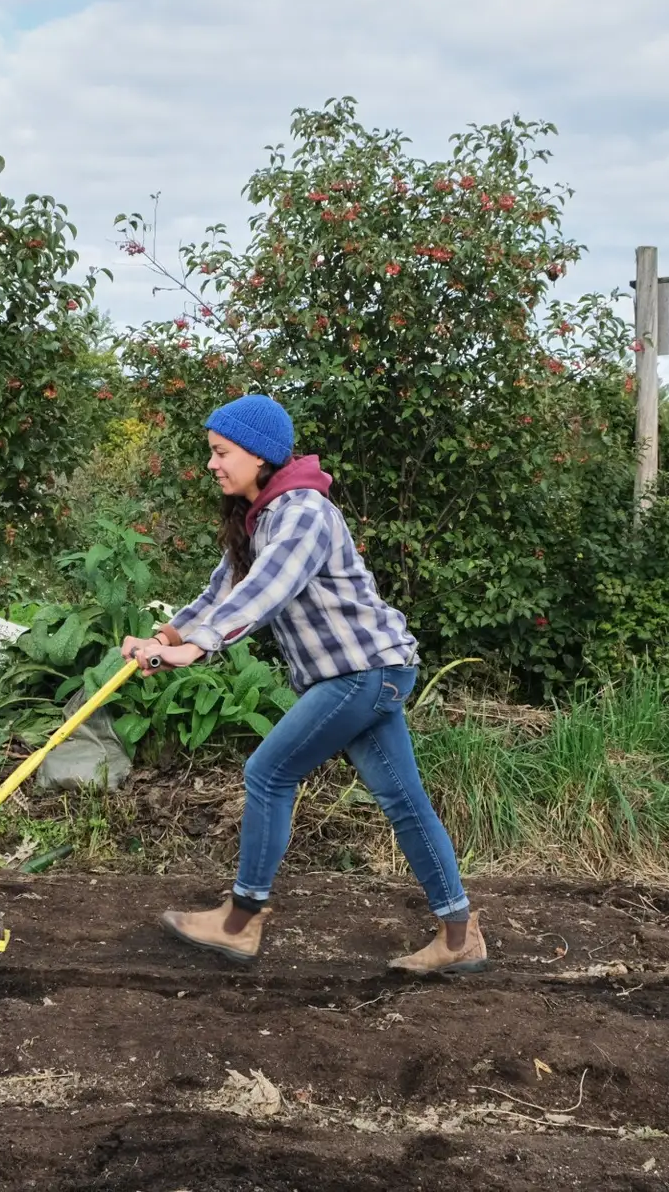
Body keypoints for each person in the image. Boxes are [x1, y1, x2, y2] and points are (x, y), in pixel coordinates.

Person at [121, 393, 488, 975]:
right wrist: (167, 635)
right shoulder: (261, 516)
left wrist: (199, 646)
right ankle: (459, 935)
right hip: (371, 673)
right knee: (402, 799)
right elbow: (223, 591)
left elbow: (268, 589)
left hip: (363, 672)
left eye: (221, 452)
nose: (212, 464)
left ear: (260, 455)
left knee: (269, 772)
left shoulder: (302, 513)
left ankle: (240, 923)